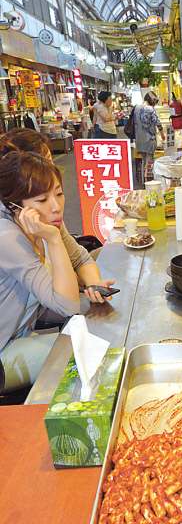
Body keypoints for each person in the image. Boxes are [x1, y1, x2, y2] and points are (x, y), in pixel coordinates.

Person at [0, 150, 115, 392]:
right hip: (4, 348)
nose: (56, 207)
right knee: (90, 350)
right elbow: (67, 306)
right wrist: (52, 240)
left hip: (24, 326)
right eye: (42, 200)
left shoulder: (46, 220)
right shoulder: (8, 238)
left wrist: (93, 284)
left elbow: (81, 258)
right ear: (14, 206)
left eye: (59, 194)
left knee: (97, 324)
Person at [134, 90, 165, 182]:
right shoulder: (150, 109)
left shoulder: (136, 108)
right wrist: (162, 134)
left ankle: (144, 182)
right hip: (149, 139)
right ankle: (149, 182)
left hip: (139, 139)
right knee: (150, 161)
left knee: (143, 161)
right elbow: (157, 122)